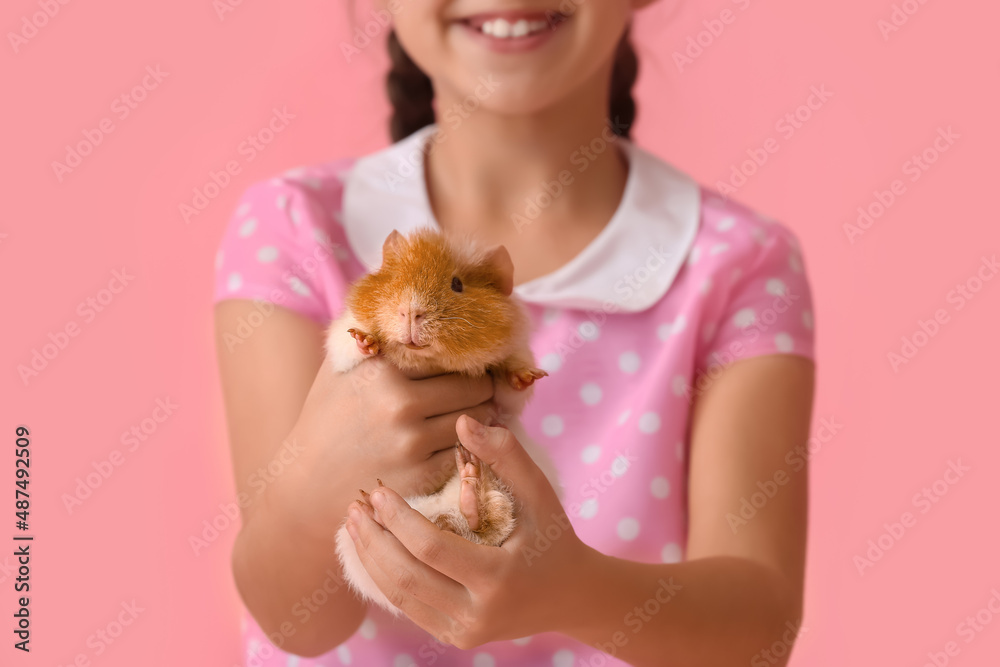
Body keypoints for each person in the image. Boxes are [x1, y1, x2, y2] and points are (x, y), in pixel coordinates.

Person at [213, 2, 817, 665]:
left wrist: (576, 590)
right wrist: (315, 476)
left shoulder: (737, 266)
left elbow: (758, 633)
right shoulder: (294, 229)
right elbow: (295, 619)